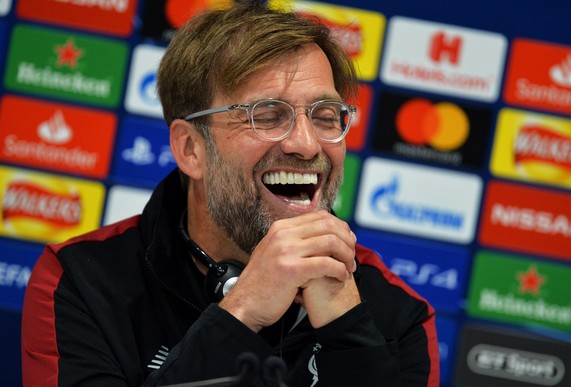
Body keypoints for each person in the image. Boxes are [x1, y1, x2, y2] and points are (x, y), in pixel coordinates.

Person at [21, 1, 440, 386]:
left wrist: (350, 333)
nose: (307, 145)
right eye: (268, 115)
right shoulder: (82, 280)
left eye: (326, 117)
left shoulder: (397, 313)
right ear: (191, 149)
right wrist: (242, 312)